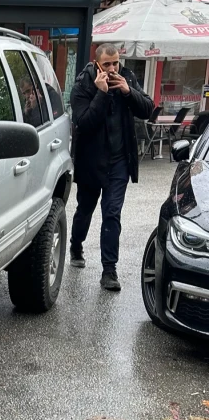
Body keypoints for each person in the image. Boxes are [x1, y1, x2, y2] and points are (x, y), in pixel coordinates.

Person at [69, 43, 154, 291]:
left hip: (119, 162)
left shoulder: (126, 78)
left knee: (112, 213)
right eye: (107, 64)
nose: (113, 68)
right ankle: (76, 245)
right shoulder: (83, 84)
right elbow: (83, 123)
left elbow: (147, 108)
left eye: (116, 63)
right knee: (85, 208)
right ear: (97, 64)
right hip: (91, 162)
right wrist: (102, 93)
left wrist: (129, 92)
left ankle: (109, 271)